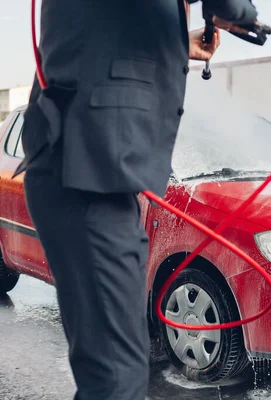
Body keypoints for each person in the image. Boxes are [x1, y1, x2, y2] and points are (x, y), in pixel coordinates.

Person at [14, 0, 258, 399]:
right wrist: (239, 12)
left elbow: (103, 38)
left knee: (117, 372)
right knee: (115, 378)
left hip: (96, 174)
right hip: (86, 171)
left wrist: (177, 43)